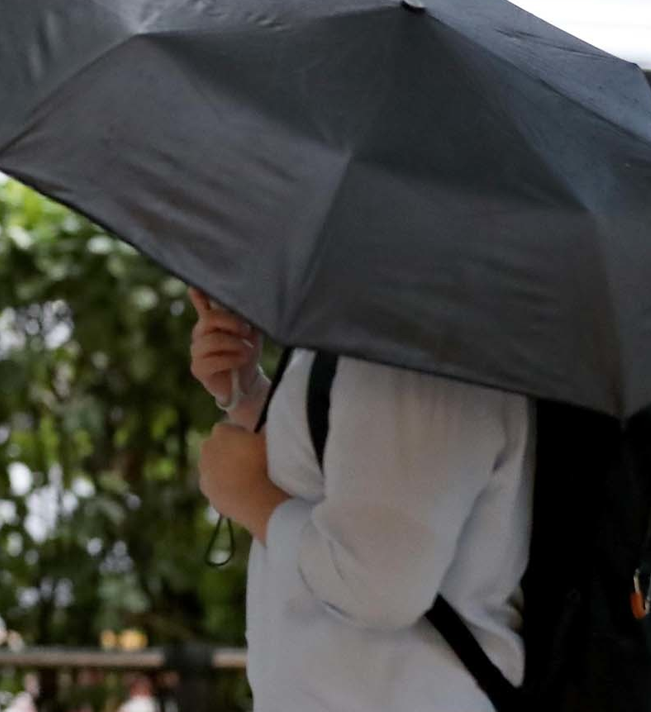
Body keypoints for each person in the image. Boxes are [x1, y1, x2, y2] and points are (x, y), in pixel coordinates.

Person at [188, 288, 534, 712]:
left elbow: (381, 583)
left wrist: (250, 497)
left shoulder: (413, 333)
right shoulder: (370, 320)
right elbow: (353, 476)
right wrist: (248, 395)